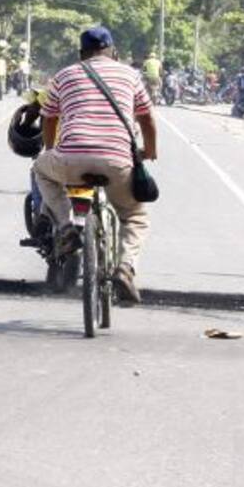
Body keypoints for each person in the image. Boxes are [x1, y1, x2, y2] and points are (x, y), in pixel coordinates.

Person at [33, 26, 157, 304]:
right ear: (113, 52)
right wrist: (149, 151)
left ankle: (66, 227)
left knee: (41, 168)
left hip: (70, 157)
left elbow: (49, 118)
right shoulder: (130, 75)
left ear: (81, 53)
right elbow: (147, 118)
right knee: (134, 216)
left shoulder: (65, 75)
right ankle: (125, 268)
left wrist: (54, 153)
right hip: (117, 160)